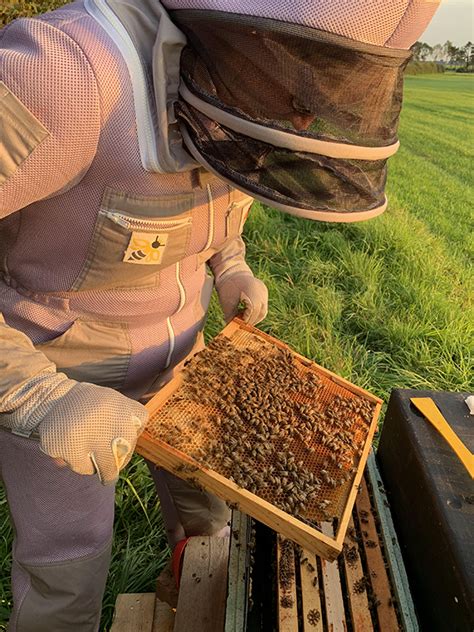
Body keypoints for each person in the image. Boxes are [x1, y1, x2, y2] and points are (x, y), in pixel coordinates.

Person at [0, 1, 440, 629]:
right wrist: (34, 394)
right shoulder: (63, 76)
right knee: (70, 560)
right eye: (296, 74)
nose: (304, 109)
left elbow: (218, 193)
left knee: (209, 524)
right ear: (237, 34)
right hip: (53, 371)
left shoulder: (241, 87)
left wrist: (230, 265)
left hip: (186, 364)